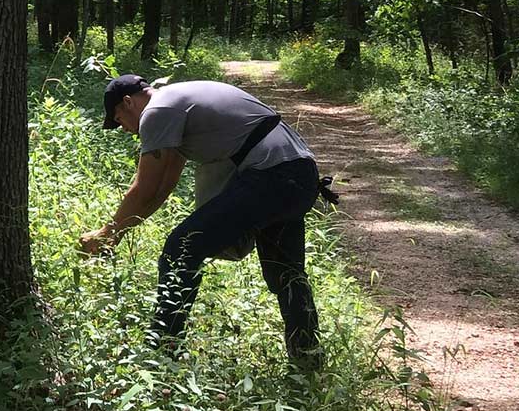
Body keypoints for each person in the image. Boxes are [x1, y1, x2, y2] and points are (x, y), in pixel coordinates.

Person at [80, 73, 332, 367]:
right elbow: (161, 189)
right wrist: (117, 233)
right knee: (285, 273)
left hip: (271, 176)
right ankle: (307, 361)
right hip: (298, 175)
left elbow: (143, 188)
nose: (123, 129)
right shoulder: (175, 101)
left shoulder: (157, 111)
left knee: (181, 248)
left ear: (128, 102)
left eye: (118, 120)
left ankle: (161, 355)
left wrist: (108, 233)